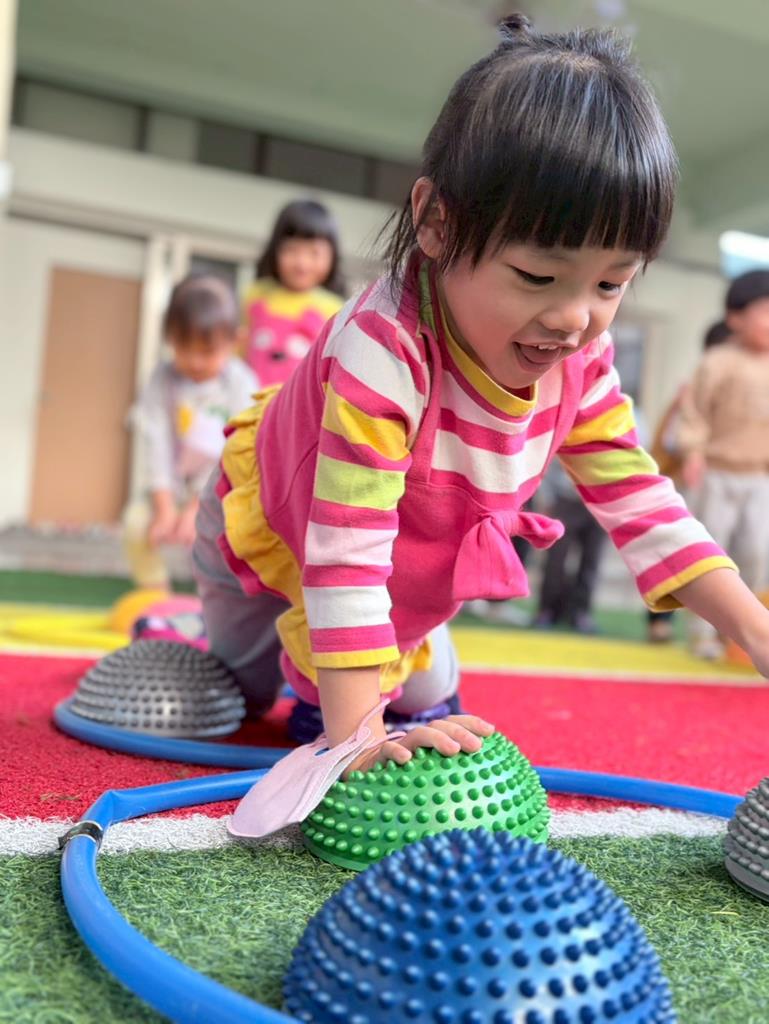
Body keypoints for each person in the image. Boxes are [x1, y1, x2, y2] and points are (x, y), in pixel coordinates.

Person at [193, 15, 769, 787]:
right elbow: (344, 550)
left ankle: (372, 676)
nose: (574, 319)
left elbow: (640, 499)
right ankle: (206, 640)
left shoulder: (578, 359)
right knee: (242, 695)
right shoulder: (383, 349)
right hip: (275, 520)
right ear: (436, 223)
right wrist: (354, 738)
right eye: (537, 277)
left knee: (418, 699)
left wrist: (752, 628)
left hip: (400, 560)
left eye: (610, 283)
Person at [124, 275, 256, 589]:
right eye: (184, 349)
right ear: (170, 338)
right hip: (169, 487)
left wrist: (199, 506)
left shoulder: (240, 383)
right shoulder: (163, 379)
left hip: (221, 490)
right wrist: (164, 506)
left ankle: (215, 600)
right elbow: (154, 441)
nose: (195, 362)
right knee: (135, 525)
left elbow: (234, 450)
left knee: (226, 541)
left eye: (207, 351)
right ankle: (155, 592)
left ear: (235, 341)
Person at [677, 271, 769, 659]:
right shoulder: (718, 361)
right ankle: (703, 634)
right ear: (735, 318)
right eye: (764, 312)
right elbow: (694, 411)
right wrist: (693, 452)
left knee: (756, 552)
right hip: (716, 472)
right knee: (710, 553)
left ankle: (744, 634)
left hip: (758, 476)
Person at [646, 319, 730, 643]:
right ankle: (661, 621)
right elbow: (669, 440)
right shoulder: (693, 391)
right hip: (686, 482)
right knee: (679, 551)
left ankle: (723, 632)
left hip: (727, 480)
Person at [243, 199, 346, 386]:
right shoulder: (256, 294)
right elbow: (238, 347)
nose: (302, 263)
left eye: (314, 253)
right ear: (275, 250)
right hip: (251, 399)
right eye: (292, 250)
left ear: (332, 257)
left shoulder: (336, 311)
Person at [532, 459, 606, 634]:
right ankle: (547, 610)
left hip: (599, 502)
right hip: (565, 499)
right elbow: (547, 466)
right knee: (555, 560)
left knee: (591, 561)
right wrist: (548, 499)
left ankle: (580, 612)